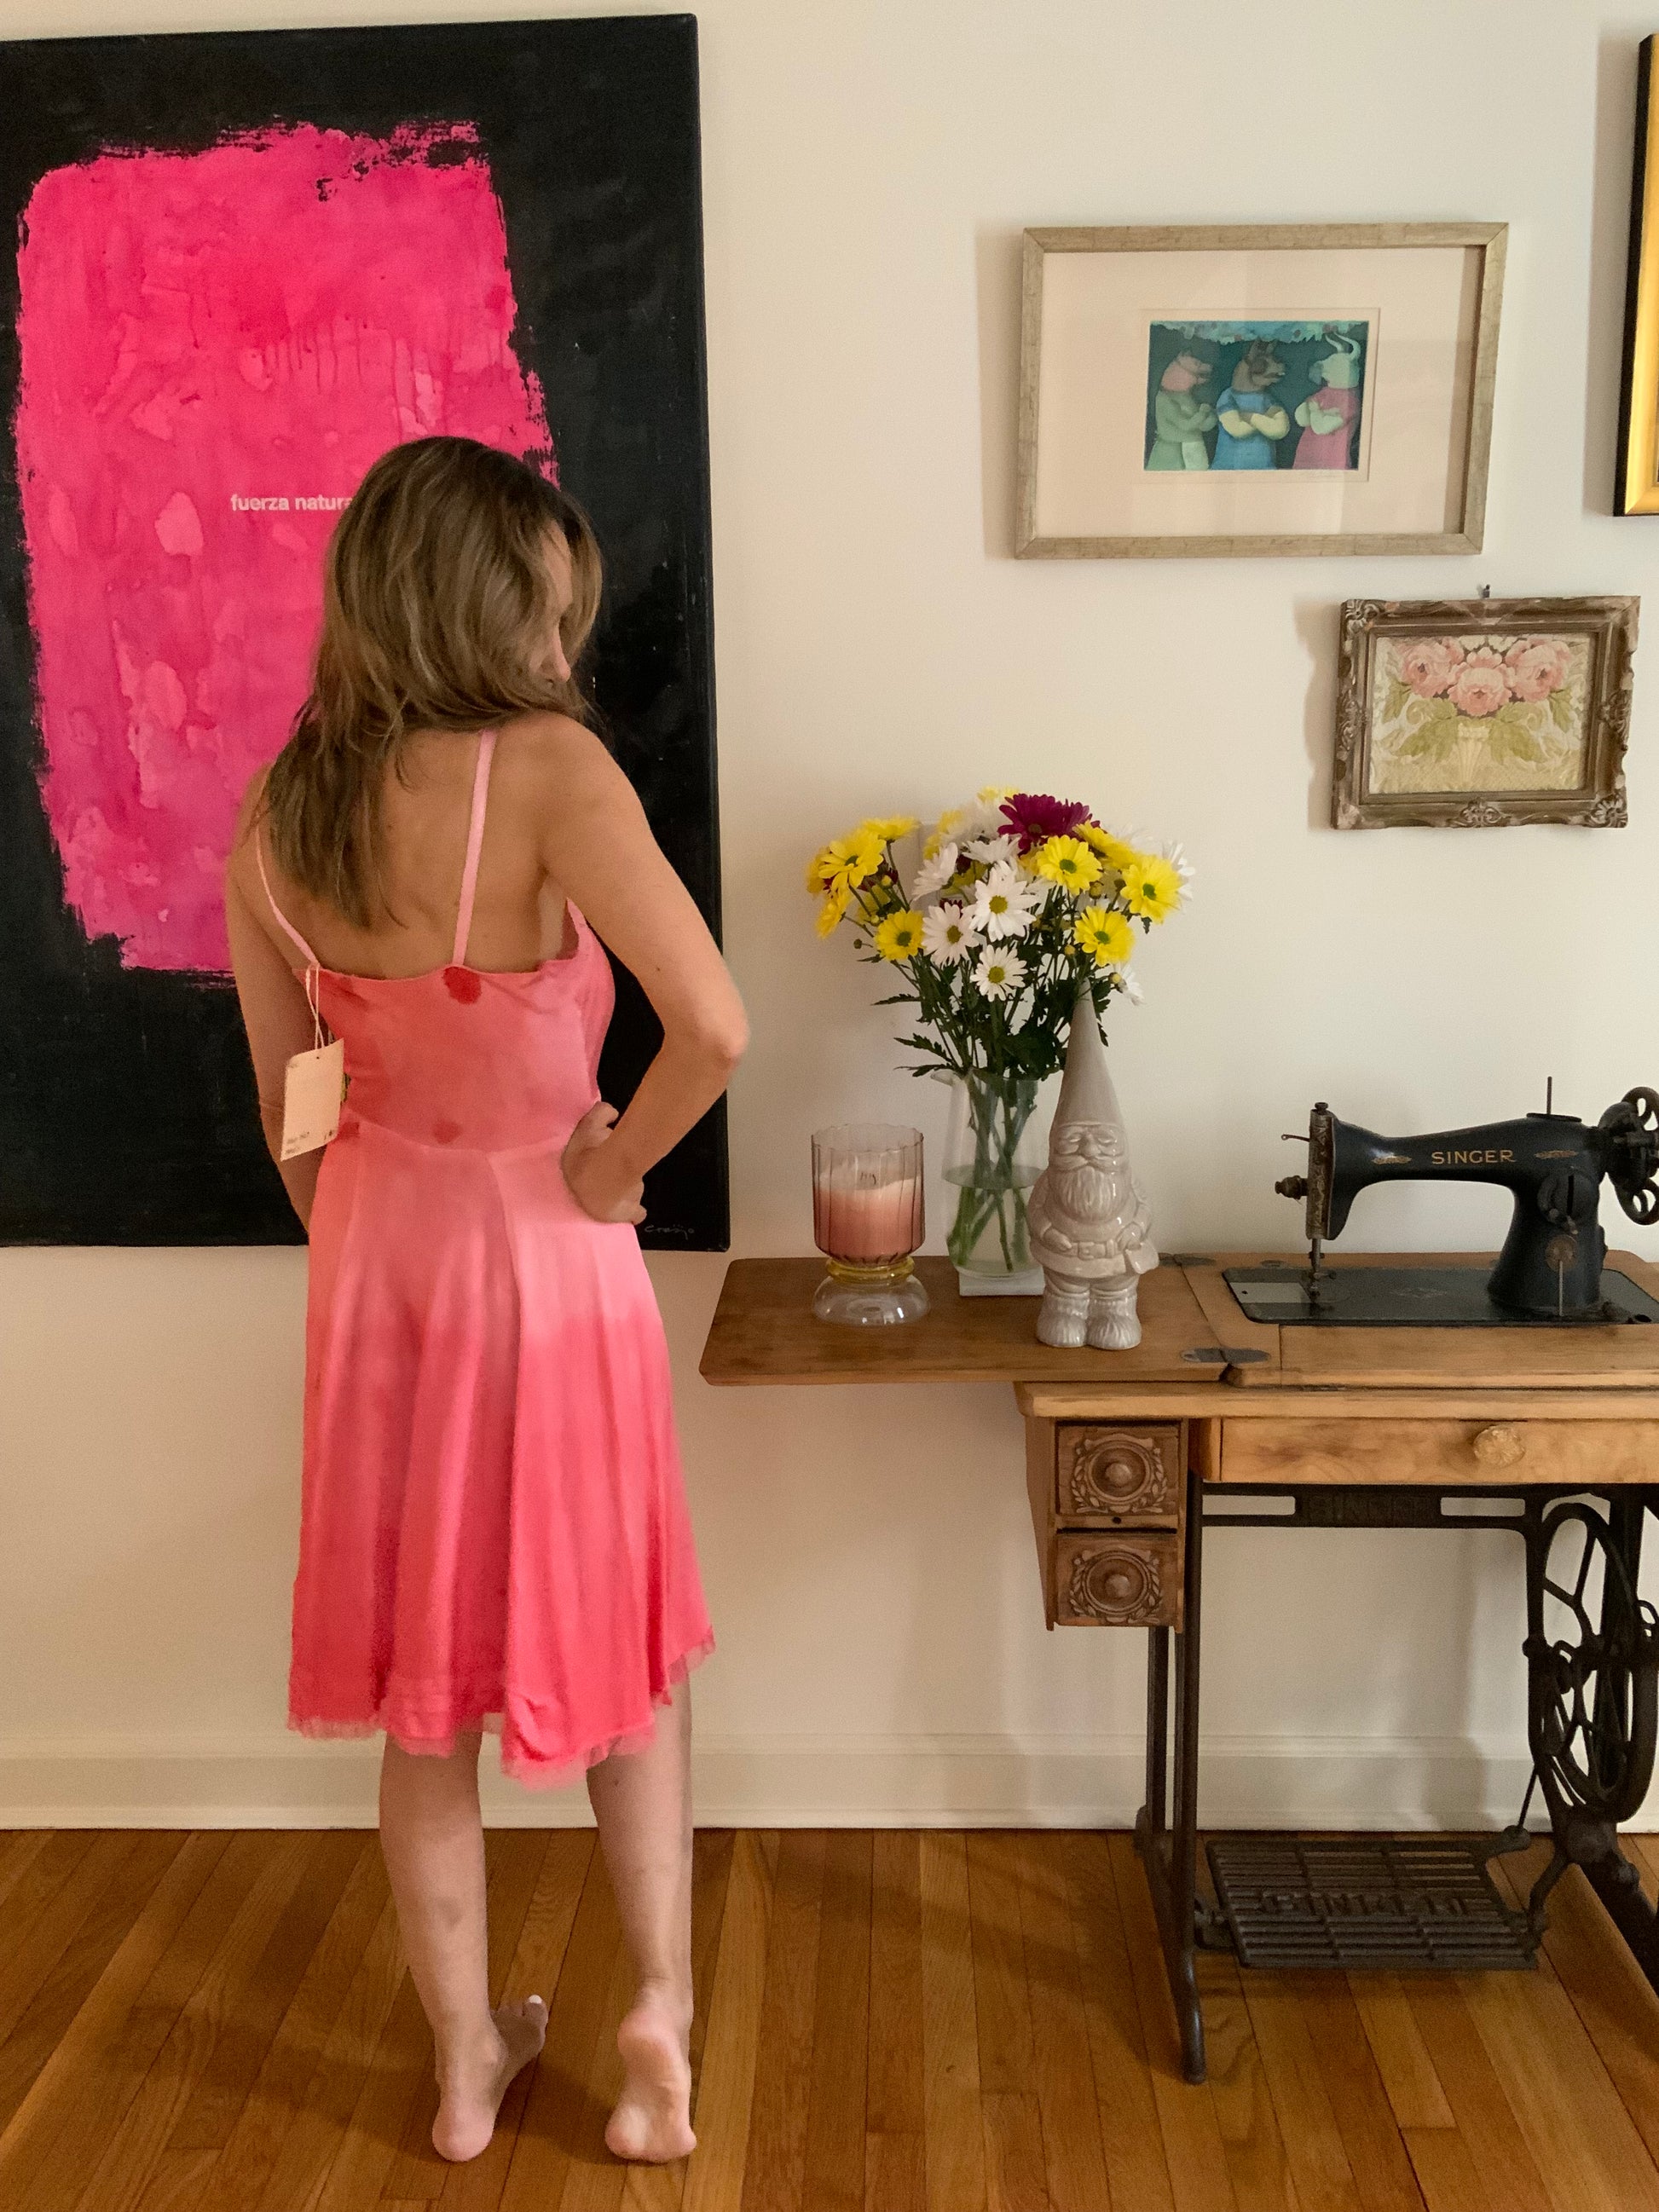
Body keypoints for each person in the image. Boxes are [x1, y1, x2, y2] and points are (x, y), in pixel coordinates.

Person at [223, 435, 747, 2168]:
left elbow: (291, 1107)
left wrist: (368, 1230)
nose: (559, 641)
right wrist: (607, 1172)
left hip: (382, 1271)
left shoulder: (279, 814)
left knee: (420, 1692)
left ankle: (464, 2067)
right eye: (545, 603)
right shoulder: (548, 770)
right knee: (623, 1659)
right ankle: (653, 2020)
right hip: (551, 1262)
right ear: (478, 600)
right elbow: (714, 1027)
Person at [1145, 348, 1218, 471]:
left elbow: (1203, 426)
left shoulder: (1185, 397)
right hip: (1172, 452)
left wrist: (1211, 416)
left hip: (1194, 448)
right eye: (1197, 364)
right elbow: (1186, 425)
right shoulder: (1163, 399)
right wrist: (1203, 413)